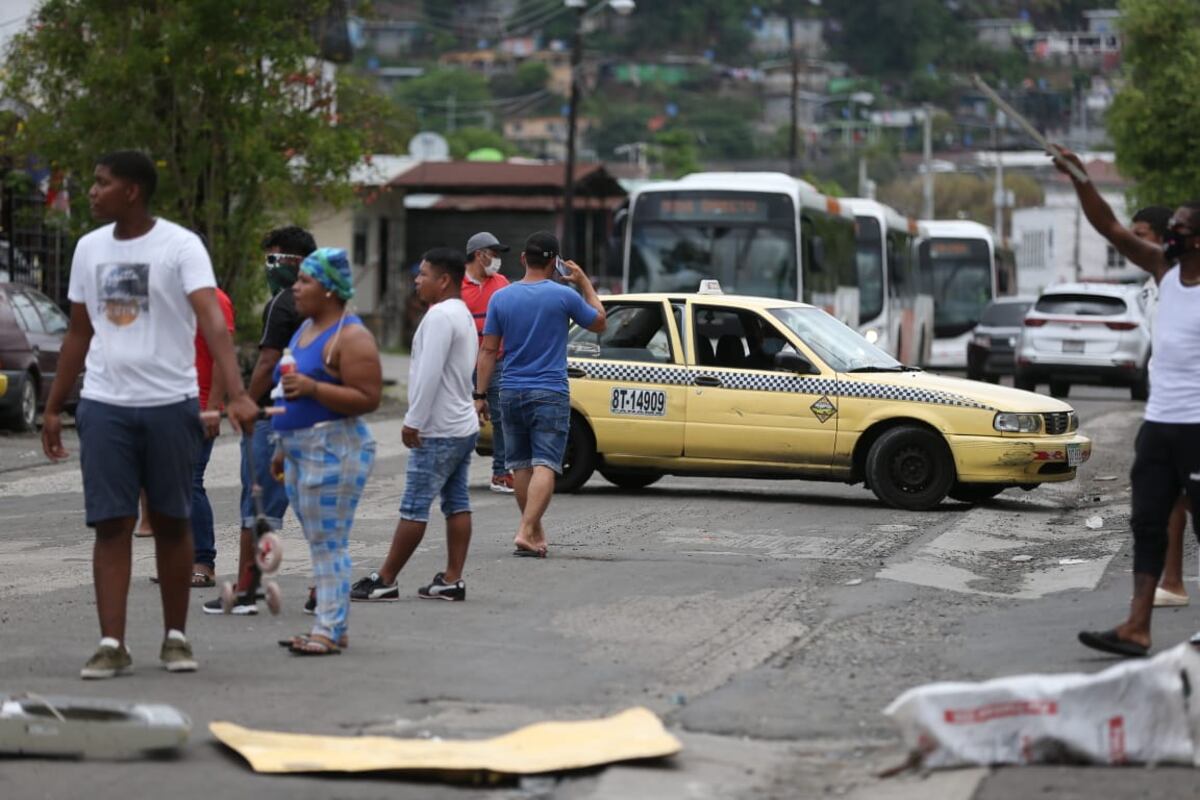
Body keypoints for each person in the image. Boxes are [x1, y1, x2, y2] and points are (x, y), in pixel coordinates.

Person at [40, 150, 258, 679]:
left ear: (131, 191)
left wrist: (235, 394)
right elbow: (78, 332)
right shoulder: (89, 248)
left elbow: (212, 321)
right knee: (111, 523)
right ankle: (111, 644)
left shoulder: (180, 246)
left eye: (102, 183)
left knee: (171, 520)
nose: (92, 192)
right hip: (105, 404)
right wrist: (52, 407)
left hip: (170, 404)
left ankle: (175, 638)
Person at [1054, 148, 1200, 657]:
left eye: (1180, 228)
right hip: (1159, 425)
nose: (1170, 233)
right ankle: (1138, 626)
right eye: (1171, 226)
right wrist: (1079, 178)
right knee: (1147, 522)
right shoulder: (1164, 270)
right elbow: (1111, 229)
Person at [351, 248, 479, 602]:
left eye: (423, 274)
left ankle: (385, 579)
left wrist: (413, 421)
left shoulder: (439, 316)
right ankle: (452, 579)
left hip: (438, 429)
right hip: (461, 425)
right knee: (456, 502)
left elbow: (428, 375)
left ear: (444, 280)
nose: (417, 281)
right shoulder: (462, 313)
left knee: (414, 506)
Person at [271, 247, 380, 655]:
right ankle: (332, 624)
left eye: (305, 281)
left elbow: (368, 398)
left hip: (334, 449)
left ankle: (329, 629)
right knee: (319, 541)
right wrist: (282, 447)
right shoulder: (306, 329)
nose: (295, 288)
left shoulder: (351, 337)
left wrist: (314, 388)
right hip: (299, 451)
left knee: (329, 541)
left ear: (330, 289)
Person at [203, 225, 314, 615]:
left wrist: (246, 402)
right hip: (311, 414)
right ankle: (322, 586)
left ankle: (246, 590)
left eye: (274, 258)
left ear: (296, 262)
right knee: (312, 506)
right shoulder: (328, 306)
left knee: (257, 507)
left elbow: (267, 361)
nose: (269, 267)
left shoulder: (283, 302)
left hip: (273, 416)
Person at [474, 231, 606, 557]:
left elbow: (488, 351)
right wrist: (584, 283)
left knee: (521, 465)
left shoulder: (501, 297)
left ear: (523, 259)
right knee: (546, 463)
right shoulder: (564, 296)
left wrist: (480, 394)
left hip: (510, 391)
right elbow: (600, 322)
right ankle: (524, 530)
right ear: (555, 262)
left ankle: (533, 532)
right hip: (549, 391)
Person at [1128, 206, 1193, 608]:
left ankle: (1172, 582)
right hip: (1163, 407)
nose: (1134, 242)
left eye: (1142, 234)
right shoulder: (1150, 289)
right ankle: (1170, 584)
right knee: (1165, 498)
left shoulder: (1183, 280)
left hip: (1191, 410)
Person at [461, 231, 514, 494]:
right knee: (461, 419)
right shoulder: (457, 287)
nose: (496, 260)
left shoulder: (502, 283)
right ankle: (453, 472)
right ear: (479, 255)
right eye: (493, 254)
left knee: (503, 418)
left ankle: (501, 473)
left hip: (497, 362)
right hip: (462, 366)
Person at [190, 281, 235, 586]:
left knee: (190, 481)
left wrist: (213, 406)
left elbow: (223, 354)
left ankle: (203, 562)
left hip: (200, 404)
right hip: (169, 403)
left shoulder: (216, 300)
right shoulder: (172, 297)